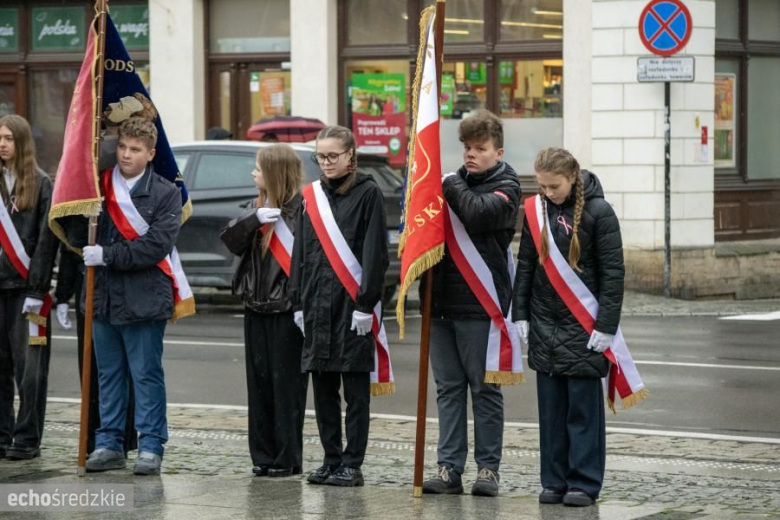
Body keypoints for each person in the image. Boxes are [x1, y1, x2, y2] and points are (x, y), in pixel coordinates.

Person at [63, 116, 183, 475]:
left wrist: (108, 255)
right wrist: (82, 210)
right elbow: (74, 235)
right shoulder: (98, 186)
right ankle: (109, 443)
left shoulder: (166, 193)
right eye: (122, 147)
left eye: (135, 149)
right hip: (103, 298)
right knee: (109, 375)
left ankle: (151, 445)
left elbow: (155, 247)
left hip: (144, 300)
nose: (126, 155)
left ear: (151, 153)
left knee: (146, 375)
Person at [513, 147, 624, 507]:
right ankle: (554, 481)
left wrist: (606, 326)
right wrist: (520, 313)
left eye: (554, 186)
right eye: (542, 186)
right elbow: (526, 265)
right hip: (545, 324)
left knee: (582, 414)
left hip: (584, 327)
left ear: (572, 178)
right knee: (551, 414)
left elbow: (613, 275)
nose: (547, 193)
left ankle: (584, 483)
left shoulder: (599, 212)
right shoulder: (536, 210)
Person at [422, 110, 521, 497]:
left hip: (481, 306)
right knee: (448, 390)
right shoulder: (453, 183)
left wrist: (448, 183)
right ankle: (449, 467)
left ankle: (488, 469)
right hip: (441, 303)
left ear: (498, 152)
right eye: (467, 147)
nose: (470, 154)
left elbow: (477, 214)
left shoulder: (507, 186)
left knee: (484, 390)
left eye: (480, 148)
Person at [289, 125, 389, 487]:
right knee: (323, 390)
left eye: (333, 156)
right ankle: (331, 459)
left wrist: (366, 303)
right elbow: (300, 251)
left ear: (350, 156)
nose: (327, 162)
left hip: (351, 305)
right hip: (316, 302)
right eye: (321, 156)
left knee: (355, 393)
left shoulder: (368, 193)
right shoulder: (311, 196)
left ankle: (352, 463)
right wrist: (297, 300)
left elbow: (375, 253)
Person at [220, 144, 307, 478]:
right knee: (258, 386)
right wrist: (252, 220)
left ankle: (287, 457)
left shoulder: (303, 211)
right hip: (255, 305)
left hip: (286, 309)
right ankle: (262, 455)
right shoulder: (255, 206)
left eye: (258, 168)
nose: (253, 173)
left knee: (286, 388)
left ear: (275, 172)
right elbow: (230, 240)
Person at [0, 114, 58, 460]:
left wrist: (37, 288)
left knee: (31, 371)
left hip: (27, 291)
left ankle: (27, 437)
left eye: (9, 138)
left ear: (21, 142)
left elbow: (47, 241)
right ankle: (1, 434)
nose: (2, 144)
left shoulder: (41, 183)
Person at [55, 245, 138, 456]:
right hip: (89, 278)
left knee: (127, 369)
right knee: (95, 370)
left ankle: (120, 440)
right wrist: (63, 293)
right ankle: (95, 440)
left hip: (127, 276)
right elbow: (70, 245)